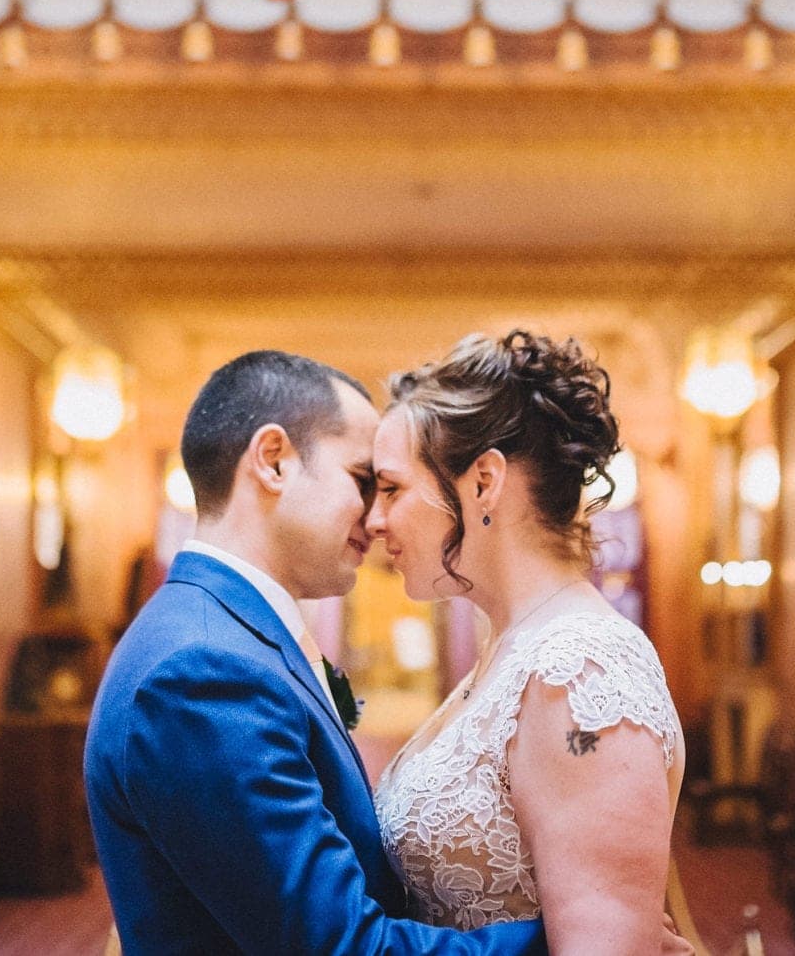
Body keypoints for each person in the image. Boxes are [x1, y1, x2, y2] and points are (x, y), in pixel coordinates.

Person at [90, 351, 570, 954]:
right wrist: (577, 939)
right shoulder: (201, 670)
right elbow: (340, 946)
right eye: (363, 481)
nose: (377, 517)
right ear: (274, 462)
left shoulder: (221, 634)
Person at [369, 331, 689, 953]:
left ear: (484, 481)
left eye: (391, 489)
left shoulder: (582, 670)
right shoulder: (509, 653)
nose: (375, 520)